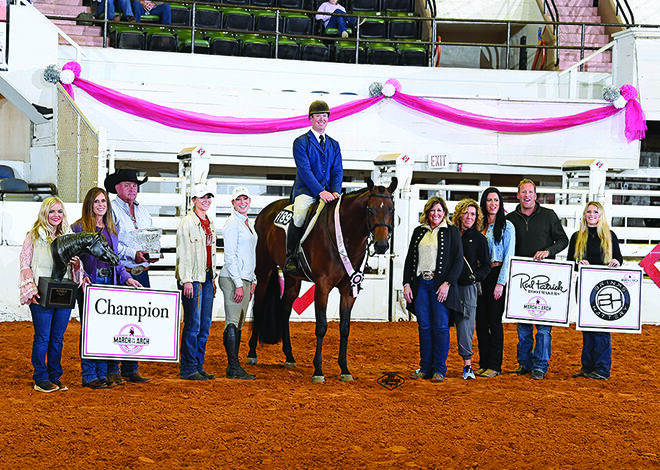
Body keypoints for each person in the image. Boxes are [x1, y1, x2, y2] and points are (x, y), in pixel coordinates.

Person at [72, 187, 142, 389]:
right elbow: (75, 259)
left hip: (109, 284)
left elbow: (115, 260)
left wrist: (127, 277)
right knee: (89, 330)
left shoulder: (111, 229)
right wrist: (83, 277)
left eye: (103, 201)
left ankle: (102, 374)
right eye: (96, 201)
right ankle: (89, 375)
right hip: (89, 285)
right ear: (89, 205)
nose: (101, 205)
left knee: (104, 330)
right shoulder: (78, 228)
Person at [19, 197, 83, 393]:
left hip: (63, 293)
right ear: (44, 213)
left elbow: (77, 269)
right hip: (41, 293)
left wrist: (76, 265)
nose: (56, 215)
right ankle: (40, 377)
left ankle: (55, 376)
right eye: (52, 211)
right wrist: (31, 290)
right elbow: (25, 265)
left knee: (57, 338)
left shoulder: (68, 237)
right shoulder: (33, 236)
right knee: (42, 337)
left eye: (60, 211)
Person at [506, 178, 568, 380]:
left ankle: (540, 365)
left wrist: (548, 251)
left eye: (530, 192)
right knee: (523, 327)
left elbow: (563, 240)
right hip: (521, 278)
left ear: (536, 194)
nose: (527, 196)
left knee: (542, 327)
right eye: (523, 192)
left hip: (544, 278)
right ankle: (524, 363)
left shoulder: (549, 216)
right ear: (518, 195)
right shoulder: (511, 219)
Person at [103, 168, 158, 383]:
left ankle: (130, 366)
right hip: (121, 271)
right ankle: (112, 368)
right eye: (127, 185)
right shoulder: (111, 211)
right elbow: (112, 243)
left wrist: (153, 252)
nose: (132, 189)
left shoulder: (143, 211)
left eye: (135, 185)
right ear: (117, 188)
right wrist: (132, 254)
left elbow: (152, 235)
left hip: (141, 270)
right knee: (118, 318)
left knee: (138, 318)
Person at [403, 196, 463, 382]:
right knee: (424, 327)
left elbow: (458, 260)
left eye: (439, 210)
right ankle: (425, 367)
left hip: (440, 286)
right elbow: (409, 259)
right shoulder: (419, 232)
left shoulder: (452, 231)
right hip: (421, 283)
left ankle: (439, 368)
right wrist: (406, 283)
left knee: (440, 327)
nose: (435, 214)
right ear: (427, 213)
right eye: (432, 210)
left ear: (444, 213)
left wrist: (448, 283)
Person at [285, 100, 343, 274]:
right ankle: (291, 256)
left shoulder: (334, 144)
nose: (322, 119)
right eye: (318, 115)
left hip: (329, 192)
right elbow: (305, 171)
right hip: (307, 192)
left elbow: (337, 171)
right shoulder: (301, 142)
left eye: (324, 115)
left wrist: (335, 191)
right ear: (311, 118)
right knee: (300, 215)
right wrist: (320, 191)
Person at [567, 201, 622, 380]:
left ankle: (602, 368)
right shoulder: (577, 237)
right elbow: (570, 263)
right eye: (588, 212)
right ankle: (587, 366)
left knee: (601, 327)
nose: (591, 215)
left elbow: (619, 258)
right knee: (586, 327)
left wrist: (616, 262)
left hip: (603, 287)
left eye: (595, 212)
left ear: (601, 215)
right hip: (583, 286)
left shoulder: (609, 236)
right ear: (584, 215)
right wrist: (578, 263)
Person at [175, 183, 218, 381]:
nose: (206, 200)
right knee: (193, 323)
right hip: (193, 279)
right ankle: (188, 366)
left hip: (206, 277)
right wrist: (187, 281)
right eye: (202, 197)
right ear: (194, 200)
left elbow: (212, 254)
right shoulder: (188, 223)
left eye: (208, 197)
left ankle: (197, 364)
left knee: (204, 324)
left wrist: (213, 278)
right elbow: (183, 254)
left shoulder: (208, 222)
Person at [475, 187, 516, 378]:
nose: (493, 204)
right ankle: (483, 363)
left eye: (496, 201)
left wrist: (501, 283)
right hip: (480, 275)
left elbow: (509, 256)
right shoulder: (478, 226)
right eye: (489, 200)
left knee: (494, 321)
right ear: (484, 202)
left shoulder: (507, 226)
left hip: (497, 273)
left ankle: (495, 365)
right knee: (480, 322)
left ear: (500, 204)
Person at [219, 186, 257, 380]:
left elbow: (251, 254)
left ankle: (234, 365)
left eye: (245, 199)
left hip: (245, 278)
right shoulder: (232, 223)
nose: (243, 203)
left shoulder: (247, 222)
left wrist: (253, 279)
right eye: (238, 200)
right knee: (233, 322)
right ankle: (233, 367)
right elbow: (230, 256)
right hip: (234, 278)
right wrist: (238, 284)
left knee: (239, 322)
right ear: (233, 203)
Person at [452, 199, 490, 380]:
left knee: (466, 325)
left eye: (473, 214)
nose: (469, 217)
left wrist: (474, 277)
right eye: (466, 213)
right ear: (459, 214)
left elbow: (486, 266)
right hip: (447, 286)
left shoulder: (480, 240)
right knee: (441, 324)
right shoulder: (450, 234)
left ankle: (467, 365)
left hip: (468, 287)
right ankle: (435, 364)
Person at [96, 0, 171, 24]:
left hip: (153, 7)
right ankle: (135, 24)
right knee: (136, 4)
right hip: (140, 6)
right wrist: (142, 2)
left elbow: (162, 1)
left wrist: (153, 3)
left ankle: (167, 29)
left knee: (166, 7)